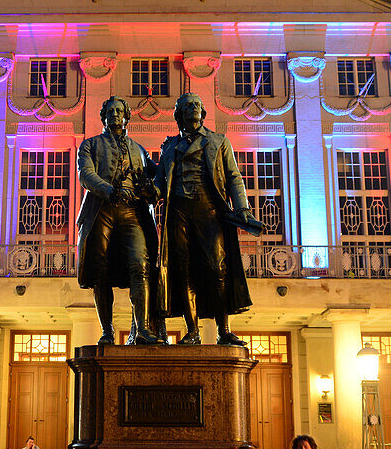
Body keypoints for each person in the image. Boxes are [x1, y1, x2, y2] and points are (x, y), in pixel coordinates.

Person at [154, 93, 261, 346]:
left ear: (202, 113)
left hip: (210, 209)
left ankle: (224, 330)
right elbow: (160, 182)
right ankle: (192, 331)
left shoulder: (219, 141)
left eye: (196, 105)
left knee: (217, 268)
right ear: (178, 114)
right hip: (178, 210)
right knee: (183, 269)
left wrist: (242, 208)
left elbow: (234, 177)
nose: (192, 109)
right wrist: (149, 190)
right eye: (187, 106)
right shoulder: (169, 147)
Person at [77, 96, 162, 345]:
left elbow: (157, 178)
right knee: (101, 273)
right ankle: (107, 331)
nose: (114, 114)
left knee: (140, 265)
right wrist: (111, 190)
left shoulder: (139, 149)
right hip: (102, 210)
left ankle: (143, 329)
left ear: (126, 117)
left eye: (119, 111)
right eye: (110, 111)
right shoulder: (90, 145)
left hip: (132, 213)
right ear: (103, 116)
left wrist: (152, 191)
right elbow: (87, 175)